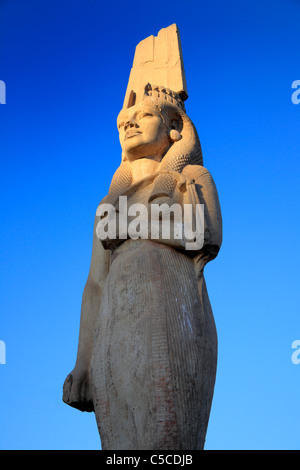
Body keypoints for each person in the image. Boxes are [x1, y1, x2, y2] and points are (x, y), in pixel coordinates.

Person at [63, 85, 222, 449]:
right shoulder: (109, 204)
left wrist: (129, 228)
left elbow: (205, 234)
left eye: (144, 116)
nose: (130, 124)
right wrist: (82, 362)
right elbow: (95, 283)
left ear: (174, 129)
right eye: (124, 121)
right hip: (113, 327)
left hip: (174, 314)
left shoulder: (193, 178)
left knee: (168, 437)